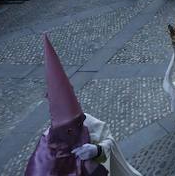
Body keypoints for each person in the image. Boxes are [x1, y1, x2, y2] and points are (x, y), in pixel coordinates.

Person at [26, 34, 141, 175]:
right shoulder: (45, 149)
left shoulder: (87, 122)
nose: (72, 130)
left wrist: (97, 150)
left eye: (76, 123)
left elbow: (109, 142)